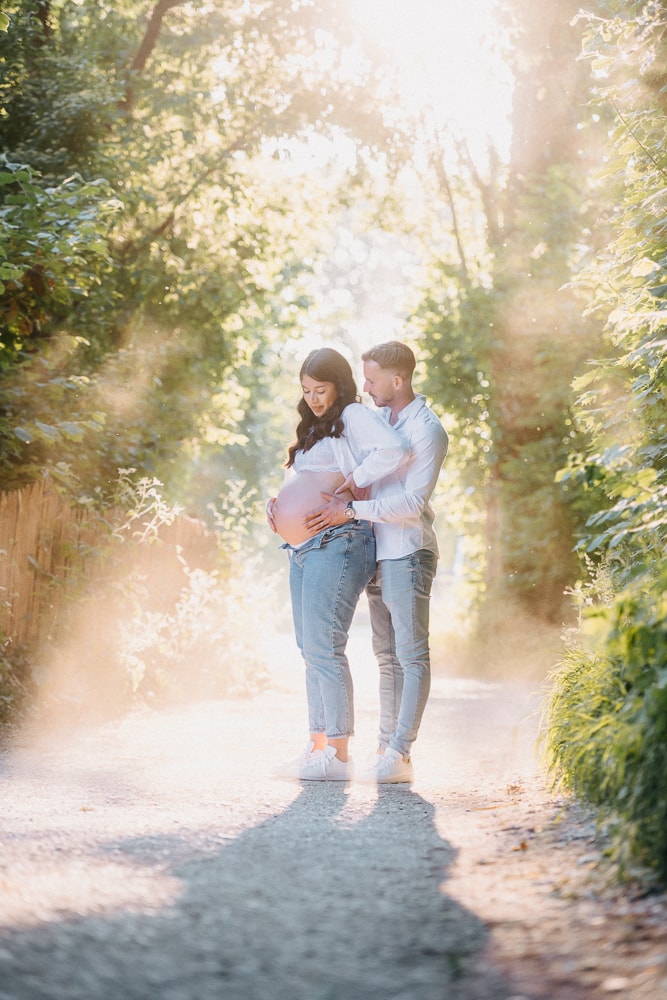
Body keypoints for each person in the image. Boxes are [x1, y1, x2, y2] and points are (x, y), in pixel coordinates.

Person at [303, 341, 448, 783]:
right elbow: (348, 474)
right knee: (386, 656)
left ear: (397, 380)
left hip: (407, 550)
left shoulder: (428, 430)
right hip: (376, 549)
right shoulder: (378, 421)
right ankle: (386, 748)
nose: (363, 388)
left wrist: (351, 509)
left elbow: (409, 502)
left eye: (370, 379)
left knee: (411, 654)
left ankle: (401, 752)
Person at [267, 347, 408, 781]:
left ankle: (340, 755)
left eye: (320, 389)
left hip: (341, 539)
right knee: (309, 648)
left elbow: (394, 450)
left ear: (339, 385)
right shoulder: (315, 427)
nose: (313, 397)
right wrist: (279, 506)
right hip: (304, 547)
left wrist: (351, 488)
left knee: (326, 646)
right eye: (306, 390)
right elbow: (307, 480)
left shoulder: (353, 414)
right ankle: (317, 746)